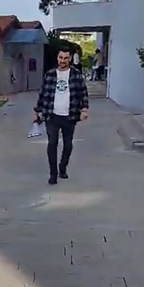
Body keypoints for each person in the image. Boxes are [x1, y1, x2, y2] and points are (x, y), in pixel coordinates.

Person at [34, 47, 90, 185]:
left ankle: (62, 167)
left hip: (70, 115)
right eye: (60, 58)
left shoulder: (76, 74)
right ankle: (53, 174)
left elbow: (83, 93)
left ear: (70, 58)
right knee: (52, 143)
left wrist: (84, 110)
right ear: (57, 58)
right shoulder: (50, 74)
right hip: (52, 115)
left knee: (68, 145)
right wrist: (38, 110)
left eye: (66, 58)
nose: (63, 61)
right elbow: (43, 93)